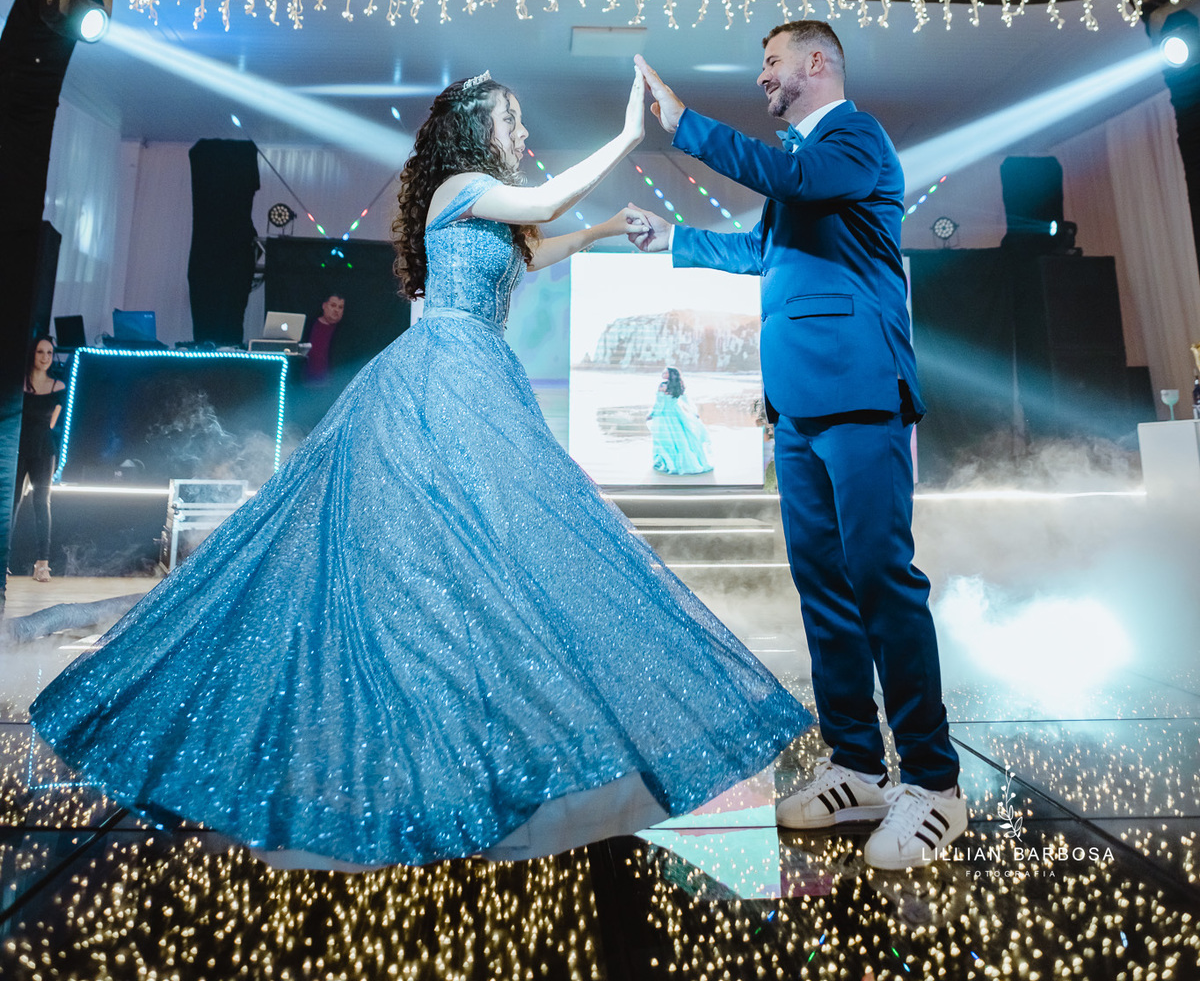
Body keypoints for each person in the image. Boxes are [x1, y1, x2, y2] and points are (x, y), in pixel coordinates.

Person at [30, 70, 809, 869]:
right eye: (512, 119)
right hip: (444, 372)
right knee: (447, 551)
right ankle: (424, 737)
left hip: (477, 372)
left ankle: (471, 732)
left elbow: (540, 247)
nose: (523, 133)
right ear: (476, 129)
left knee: (475, 550)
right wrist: (624, 139)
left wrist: (612, 226)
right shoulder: (461, 185)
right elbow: (541, 207)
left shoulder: (490, 206)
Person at [632, 26, 967, 872]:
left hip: (858, 391)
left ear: (818, 64)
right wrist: (671, 240)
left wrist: (684, 122)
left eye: (773, 62)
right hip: (799, 407)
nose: (762, 75)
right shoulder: (802, 170)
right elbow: (763, 251)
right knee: (823, 587)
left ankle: (933, 783)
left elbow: (788, 178)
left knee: (881, 581)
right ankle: (857, 764)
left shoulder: (851, 139)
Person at [11, 336, 66, 582]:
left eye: (49, 353)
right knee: (10, 505)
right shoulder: (18, 384)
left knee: (42, 503)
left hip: (44, 449)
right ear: (32, 354)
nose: (45, 357)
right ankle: (3, 562)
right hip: (18, 448)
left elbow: (53, 423)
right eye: (40, 352)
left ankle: (42, 564)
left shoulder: (58, 388)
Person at [647, 366, 714, 476]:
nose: (663, 373)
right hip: (677, 413)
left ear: (670, 375)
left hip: (665, 414)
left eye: (665, 372)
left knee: (665, 440)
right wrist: (694, 413)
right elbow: (686, 400)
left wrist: (652, 414)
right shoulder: (679, 385)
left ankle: (669, 464)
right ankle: (685, 463)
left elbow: (659, 403)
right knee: (682, 439)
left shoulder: (662, 385)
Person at [304, 292, 345, 381]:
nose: (336, 310)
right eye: (333, 305)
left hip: (333, 387)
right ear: (324, 306)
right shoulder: (308, 326)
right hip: (304, 385)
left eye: (340, 307)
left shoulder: (346, 333)